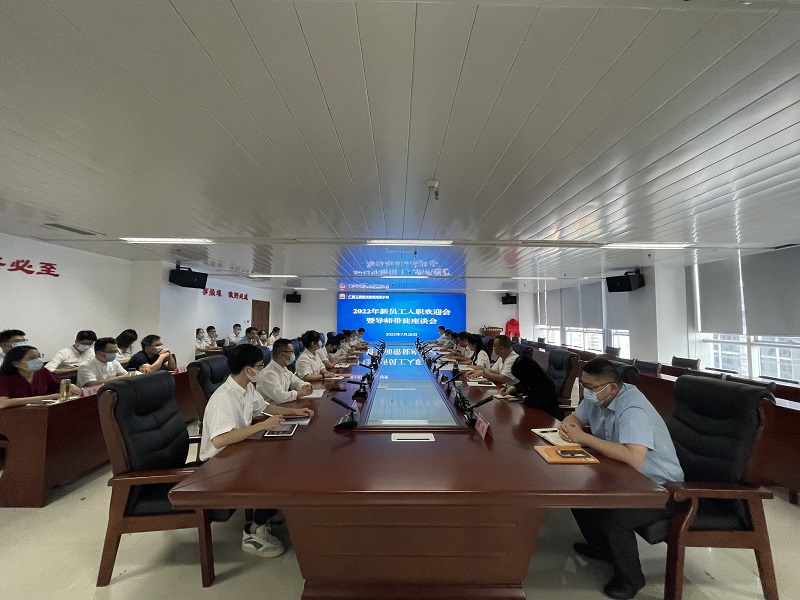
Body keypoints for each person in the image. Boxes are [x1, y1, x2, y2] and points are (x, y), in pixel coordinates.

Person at [559, 358, 684, 600]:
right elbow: (575, 418)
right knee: (578, 493)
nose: (586, 391)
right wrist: (568, 426)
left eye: (590, 387)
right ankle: (602, 547)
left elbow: (634, 458)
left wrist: (584, 439)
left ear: (612, 387)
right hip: (626, 477)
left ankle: (631, 579)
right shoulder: (599, 397)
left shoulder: (632, 409)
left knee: (614, 515)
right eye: (583, 385)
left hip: (661, 489)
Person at [199, 344, 314, 557]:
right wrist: (261, 426)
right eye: (260, 366)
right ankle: (253, 531)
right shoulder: (223, 398)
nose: (262, 370)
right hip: (219, 464)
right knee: (276, 474)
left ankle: (267, 512)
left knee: (286, 459)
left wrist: (294, 412)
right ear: (247, 370)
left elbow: (265, 407)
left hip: (238, 451)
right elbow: (219, 440)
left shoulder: (246, 388)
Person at [1, 345, 80, 409]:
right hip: (14, 416)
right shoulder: (4, 378)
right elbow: (3, 403)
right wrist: (48, 397)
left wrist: (68, 387)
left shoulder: (42, 372)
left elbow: (56, 387)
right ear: (16, 363)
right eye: (32, 358)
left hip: (41, 412)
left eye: (39, 357)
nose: (38, 360)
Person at [255, 338, 313, 404]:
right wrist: (302, 392)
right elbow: (281, 397)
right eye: (291, 352)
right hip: (273, 409)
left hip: (283, 406)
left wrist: (305, 386)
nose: (293, 354)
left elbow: (296, 382)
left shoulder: (283, 368)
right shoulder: (268, 374)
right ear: (282, 354)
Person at [508, 355, 564, 420]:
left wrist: (523, 398)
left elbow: (531, 402)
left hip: (548, 417)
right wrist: (510, 389)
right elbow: (521, 385)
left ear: (527, 374)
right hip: (534, 414)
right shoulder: (533, 379)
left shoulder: (544, 383)